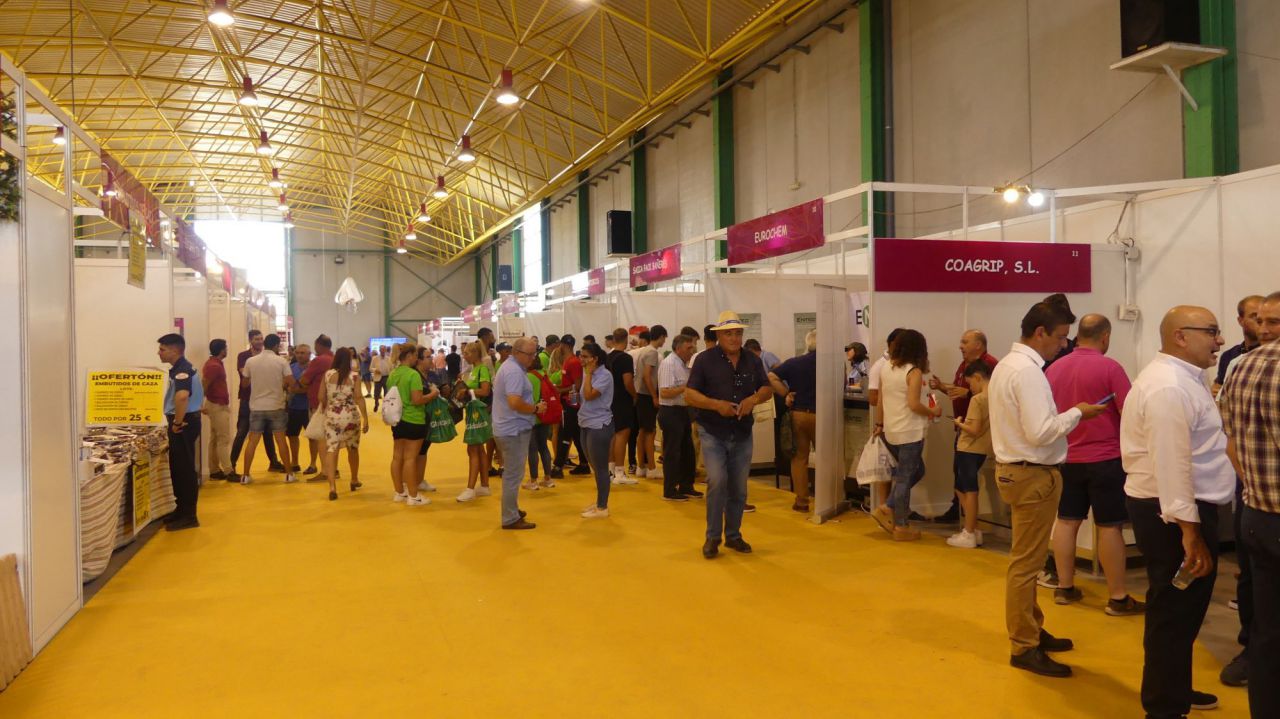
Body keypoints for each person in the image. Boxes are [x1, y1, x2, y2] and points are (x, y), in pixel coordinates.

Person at [1122, 306, 1232, 716]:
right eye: (1212, 332)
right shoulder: (1170, 386)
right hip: (1172, 514)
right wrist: (1190, 532)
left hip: (1173, 508)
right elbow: (1172, 464)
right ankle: (1165, 706)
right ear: (1181, 336)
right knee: (1174, 611)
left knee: (1179, 611)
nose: (1219, 340)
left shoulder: (1185, 378)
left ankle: (1174, 689)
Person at [988, 301, 1107, 678]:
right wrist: (1078, 413)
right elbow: (1040, 431)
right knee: (1026, 565)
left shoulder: (1009, 366)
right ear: (1040, 333)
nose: (1063, 345)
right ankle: (1024, 644)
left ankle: (1032, 627)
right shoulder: (1027, 373)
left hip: (1019, 471)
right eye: (1059, 338)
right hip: (1032, 474)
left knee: (1027, 560)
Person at [1043, 314, 1142, 615]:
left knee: (1066, 521)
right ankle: (1117, 596)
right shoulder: (1110, 367)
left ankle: (1064, 587)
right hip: (1105, 458)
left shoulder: (1054, 368)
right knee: (1110, 527)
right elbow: (1130, 411)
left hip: (1066, 457)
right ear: (1105, 336)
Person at [1220, 292, 1280, 716]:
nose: (1265, 327)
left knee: (1267, 630)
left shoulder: (1240, 366)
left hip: (1257, 513)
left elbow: (1232, 446)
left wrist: (1256, 487)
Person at [686, 311, 772, 559]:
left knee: (738, 488)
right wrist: (716, 405)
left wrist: (753, 399)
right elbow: (690, 395)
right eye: (728, 333)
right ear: (719, 335)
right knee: (717, 481)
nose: (734, 338)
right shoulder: (704, 360)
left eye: (738, 333)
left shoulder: (752, 361)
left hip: (742, 432)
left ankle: (733, 536)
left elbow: (766, 388)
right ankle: (713, 537)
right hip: (712, 431)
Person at [869, 330, 941, 540]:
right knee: (905, 478)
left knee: (912, 473)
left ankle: (889, 509)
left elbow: (881, 400)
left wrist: (880, 424)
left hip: (892, 430)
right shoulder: (914, 372)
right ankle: (899, 525)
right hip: (910, 431)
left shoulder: (887, 369)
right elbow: (914, 404)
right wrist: (933, 412)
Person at [929, 329, 1000, 522]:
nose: (960, 346)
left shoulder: (991, 365)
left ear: (978, 344)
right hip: (963, 429)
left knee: (966, 482)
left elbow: (991, 394)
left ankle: (968, 523)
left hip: (974, 433)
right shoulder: (963, 365)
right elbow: (958, 391)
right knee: (960, 477)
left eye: (964, 342)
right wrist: (942, 387)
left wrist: (968, 396)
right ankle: (963, 516)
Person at [492, 337, 545, 530]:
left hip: (508, 427)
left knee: (512, 474)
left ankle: (511, 509)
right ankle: (510, 517)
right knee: (513, 475)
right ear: (517, 353)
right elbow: (514, 402)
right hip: (513, 429)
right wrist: (535, 409)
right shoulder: (514, 371)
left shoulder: (510, 368)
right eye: (530, 354)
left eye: (534, 353)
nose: (533, 358)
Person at [768, 329, 819, 512]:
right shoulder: (832, 364)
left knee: (799, 459)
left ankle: (802, 501)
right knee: (826, 459)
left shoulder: (795, 362)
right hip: (823, 416)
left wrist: (785, 393)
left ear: (808, 343)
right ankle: (827, 500)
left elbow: (771, 376)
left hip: (798, 414)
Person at [157, 333, 203, 531]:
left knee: (184, 468)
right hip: (186, 422)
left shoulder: (182, 370)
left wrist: (177, 422)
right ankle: (181, 509)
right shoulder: (180, 368)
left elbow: (182, 396)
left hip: (183, 424)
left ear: (175, 350)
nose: (159, 353)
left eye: (162, 349)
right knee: (179, 467)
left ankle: (188, 515)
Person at [239, 333, 298, 485]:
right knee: (280, 441)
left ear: (264, 344)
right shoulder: (281, 361)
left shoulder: (250, 361)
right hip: (276, 406)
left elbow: (244, 384)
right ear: (277, 345)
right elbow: (291, 383)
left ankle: (245, 475)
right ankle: (289, 474)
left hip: (256, 406)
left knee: (252, 441)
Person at [948, 361, 993, 548]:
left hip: (968, 447)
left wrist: (959, 423)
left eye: (970, 384)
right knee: (964, 487)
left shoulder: (978, 399)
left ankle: (969, 531)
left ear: (977, 377)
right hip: (983, 448)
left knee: (968, 489)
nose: (970, 389)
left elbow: (973, 429)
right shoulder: (996, 396)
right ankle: (972, 527)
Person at [229, 330, 284, 475]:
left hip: (264, 400)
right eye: (256, 339)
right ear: (250, 340)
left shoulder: (271, 356)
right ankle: (231, 464)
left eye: (261, 339)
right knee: (242, 432)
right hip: (248, 400)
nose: (259, 341)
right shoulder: (244, 356)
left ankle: (274, 462)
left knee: (268, 433)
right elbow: (244, 373)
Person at [317, 347, 369, 501]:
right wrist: (365, 418)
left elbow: (321, 396)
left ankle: (332, 487)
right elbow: (359, 397)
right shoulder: (354, 376)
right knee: (353, 448)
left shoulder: (327, 375)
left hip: (332, 416)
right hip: (351, 416)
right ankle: (354, 479)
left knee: (332, 449)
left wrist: (329, 404)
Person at [387, 344, 433, 506]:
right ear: (409, 356)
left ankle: (399, 492)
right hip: (414, 420)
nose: (416, 358)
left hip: (397, 420)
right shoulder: (413, 375)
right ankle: (413, 496)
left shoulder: (393, 374)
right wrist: (433, 394)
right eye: (415, 355)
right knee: (410, 458)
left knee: (397, 457)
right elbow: (417, 400)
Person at [658, 333, 700, 501]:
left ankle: (686, 485)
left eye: (693, 347)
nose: (692, 350)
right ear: (679, 347)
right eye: (689, 347)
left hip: (682, 412)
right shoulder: (669, 364)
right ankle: (670, 489)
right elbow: (665, 392)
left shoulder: (683, 364)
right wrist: (685, 388)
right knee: (672, 453)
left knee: (687, 451)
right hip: (671, 412)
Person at [578, 342, 615, 518]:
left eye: (585, 357)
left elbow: (589, 395)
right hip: (585, 422)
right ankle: (600, 501)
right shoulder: (589, 374)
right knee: (595, 465)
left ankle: (602, 507)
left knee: (600, 467)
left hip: (599, 424)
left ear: (595, 359)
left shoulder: (604, 375)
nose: (582, 360)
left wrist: (587, 375)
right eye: (581, 356)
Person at [457, 342, 494, 502]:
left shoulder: (482, 369)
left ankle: (470, 488)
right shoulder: (473, 370)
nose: (464, 356)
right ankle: (484, 485)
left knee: (472, 449)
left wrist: (468, 391)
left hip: (479, 414)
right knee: (479, 450)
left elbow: (485, 390)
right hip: (473, 412)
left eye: (466, 353)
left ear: (474, 353)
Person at [606, 328, 639, 485]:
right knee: (622, 435)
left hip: (609, 399)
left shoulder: (608, 357)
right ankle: (620, 471)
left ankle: (611, 470)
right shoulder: (625, 358)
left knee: (612, 434)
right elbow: (627, 381)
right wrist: (634, 395)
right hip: (622, 400)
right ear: (626, 340)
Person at [554, 335, 589, 476]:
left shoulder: (573, 362)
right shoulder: (568, 361)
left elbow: (578, 385)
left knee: (565, 434)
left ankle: (557, 466)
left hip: (571, 404)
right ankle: (584, 463)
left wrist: (559, 390)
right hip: (570, 403)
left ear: (563, 345)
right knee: (575, 434)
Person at [635, 325, 667, 480]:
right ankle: (652, 468)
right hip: (647, 396)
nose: (664, 341)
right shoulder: (652, 352)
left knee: (642, 432)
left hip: (642, 395)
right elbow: (647, 376)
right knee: (650, 432)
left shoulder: (643, 351)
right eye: (664, 338)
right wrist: (655, 396)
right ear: (660, 336)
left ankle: (642, 466)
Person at [299, 335, 335, 473]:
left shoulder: (318, 360)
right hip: (334, 404)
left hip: (319, 404)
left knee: (319, 437)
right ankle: (332, 468)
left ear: (319, 345)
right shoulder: (335, 359)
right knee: (331, 440)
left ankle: (325, 470)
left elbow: (305, 381)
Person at [1215, 294, 1264, 392]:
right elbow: (1218, 388)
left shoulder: (1274, 354)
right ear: (1240, 321)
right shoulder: (1228, 356)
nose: (1261, 322)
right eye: (1254, 316)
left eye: (1265, 318)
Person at [200, 338, 232, 480]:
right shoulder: (214, 366)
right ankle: (228, 470)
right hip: (217, 404)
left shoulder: (215, 364)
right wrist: (200, 404)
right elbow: (205, 384)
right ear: (221, 350)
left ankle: (214, 469)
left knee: (214, 438)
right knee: (223, 438)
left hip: (215, 403)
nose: (227, 350)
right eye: (225, 347)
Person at [524, 354, 556, 490]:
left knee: (532, 449)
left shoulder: (527, 377)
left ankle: (533, 480)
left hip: (532, 416)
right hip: (545, 414)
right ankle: (548, 478)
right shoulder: (544, 374)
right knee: (544, 447)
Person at [371, 345, 390, 411]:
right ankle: (376, 404)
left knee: (386, 393)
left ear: (385, 350)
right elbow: (370, 368)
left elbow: (391, 368)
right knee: (376, 393)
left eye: (384, 349)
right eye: (381, 349)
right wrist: (375, 370)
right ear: (379, 350)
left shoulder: (388, 358)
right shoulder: (374, 358)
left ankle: (385, 406)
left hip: (386, 377)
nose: (382, 350)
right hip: (377, 378)